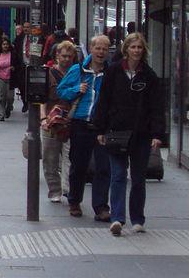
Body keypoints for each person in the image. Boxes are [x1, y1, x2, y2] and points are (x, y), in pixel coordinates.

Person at [94, 32, 165, 236]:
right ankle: (117, 218)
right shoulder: (114, 71)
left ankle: (138, 219)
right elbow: (104, 101)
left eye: (139, 47)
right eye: (133, 47)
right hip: (117, 131)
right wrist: (100, 129)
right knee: (118, 175)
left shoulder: (149, 75)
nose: (136, 51)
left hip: (141, 134)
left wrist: (157, 134)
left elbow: (156, 107)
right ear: (126, 49)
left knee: (138, 178)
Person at [57, 34, 112, 220]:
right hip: (80, 124)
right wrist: (76, 89)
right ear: (91, 48)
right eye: (98, 48)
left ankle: (101, 207)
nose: (101, 52)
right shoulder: (78, 70)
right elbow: (61, 91)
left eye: (105, 49)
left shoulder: (111, 73)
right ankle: (74, 201)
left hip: (102, 126)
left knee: (103, 167)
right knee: (79, 165)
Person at [41, 41, 79, 203]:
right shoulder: (48, 73)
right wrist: (43, 118)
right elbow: (42, 98)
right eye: (64, 56)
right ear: (57, 55)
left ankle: (67, 189)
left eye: (70, 56)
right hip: (51, 120)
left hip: (71, 120)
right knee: (50, 158)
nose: (67, 59)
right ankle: (54, 190)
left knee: (69, 157)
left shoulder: (77, 73)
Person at [0, 38, 18, 120]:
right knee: (1, 97)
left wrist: (14, 68)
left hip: (10, 78)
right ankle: (1, 114)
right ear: (1, 46)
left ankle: (8, 108)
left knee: (10, 97)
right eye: (4, 44)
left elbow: (18, 65)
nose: (5, 46)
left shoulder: (13, 54)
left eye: (7, 44)